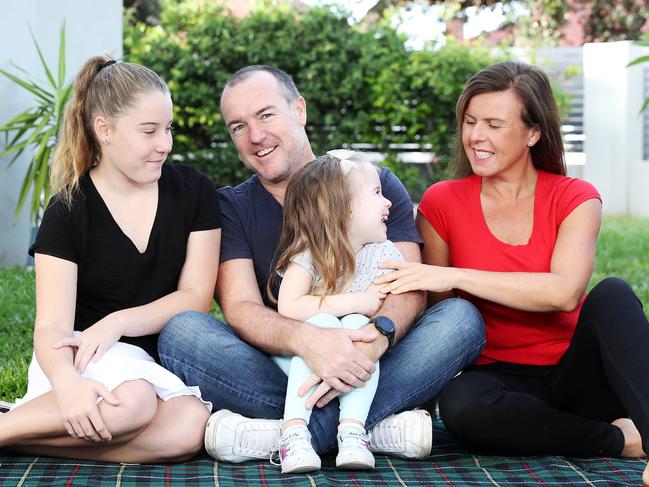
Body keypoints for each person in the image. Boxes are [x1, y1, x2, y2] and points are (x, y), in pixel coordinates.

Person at [158, 65, 485, 464]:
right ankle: (366, 430)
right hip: (281, 365)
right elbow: (241, 309)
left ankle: (288, 434)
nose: (255, 136)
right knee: (182, 333)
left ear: (299, 110)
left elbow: (409, 286)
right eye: (238, 127)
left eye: (265, 115)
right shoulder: (231, 206)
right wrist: (310, 343)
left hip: (372, 355)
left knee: (460, 318)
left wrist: (372, 340)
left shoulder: (373, 183)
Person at [374, 61, 649, 486]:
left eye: (494, 124)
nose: (475, 136)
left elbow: (564, 293)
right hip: (502, 383)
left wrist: (457, 276)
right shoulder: (442, 201)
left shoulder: (575, 196)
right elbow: (444, 320)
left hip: (581, 373)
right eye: (469, 121)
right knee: (463, 406)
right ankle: (620, 440)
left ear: (533, 133)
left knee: (613, 294)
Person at [0, 55, 221, 463]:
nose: (165, 144)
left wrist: (117, 322)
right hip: (81, 360)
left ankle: (13, 432)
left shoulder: (194, 191)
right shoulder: (69, 209)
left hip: (150, 365)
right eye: (149, 131)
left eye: (168, 128)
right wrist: (67, 386)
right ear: (105, 130)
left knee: (189, 427)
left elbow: (195, 298)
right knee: (133, 403)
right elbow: (51, 327)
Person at [269, 151, 403, 473]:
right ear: (343, 208)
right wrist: (357, 301)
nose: (389, 203)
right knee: (323, 323)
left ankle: (352, 431)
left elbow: (381, 323)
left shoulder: (382, 253)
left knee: (360, 326)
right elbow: (290, 306)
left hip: (358, 371)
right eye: (376, 193)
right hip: (301, 364)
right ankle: (294, 433)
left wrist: (362, 317)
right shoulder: (309, 253)